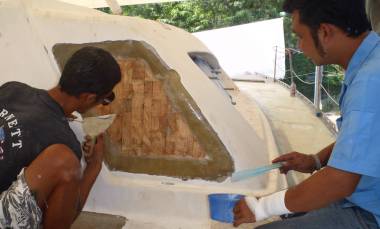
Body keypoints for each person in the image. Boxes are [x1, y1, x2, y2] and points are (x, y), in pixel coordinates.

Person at [233, 0, 380, 228]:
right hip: (364, 192)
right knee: (293, 208)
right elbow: (364, 140)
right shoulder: (371, 61)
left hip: (371, 211)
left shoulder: (369, 83)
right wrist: (315, 160)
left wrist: (260, 207)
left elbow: (340, 181)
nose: (300, 47)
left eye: (300, 36)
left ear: (325, 32)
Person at [0, 46, 121, 228]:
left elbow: (31, 120)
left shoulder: (12, 89)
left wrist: (54, 116)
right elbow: (62, 221)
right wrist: (94, 166)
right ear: (89, 98)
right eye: (105, 99)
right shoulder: (64, 142)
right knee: (63, 161)